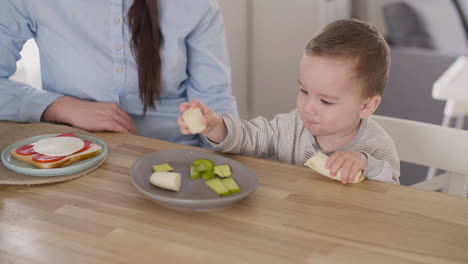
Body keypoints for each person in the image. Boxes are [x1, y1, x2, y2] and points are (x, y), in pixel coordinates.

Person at [178, 19, 400, 184]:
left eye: (326, 101)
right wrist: (216, 126)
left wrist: (365, 163)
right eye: (304, 90)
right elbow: (248, 137)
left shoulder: (377, 146)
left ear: (366, 106)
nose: (307, 107)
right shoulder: (290, 127)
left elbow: (394, 192)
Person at [0, 0, 238, 148]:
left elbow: (215, 105)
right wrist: (59, 106)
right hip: (74, 157)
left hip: (174, 158)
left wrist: (218, 135)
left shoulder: (198, 6)